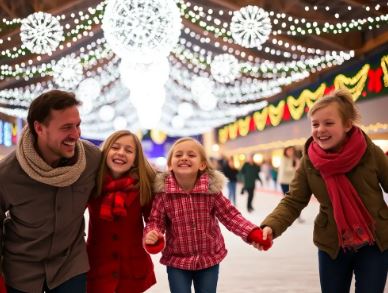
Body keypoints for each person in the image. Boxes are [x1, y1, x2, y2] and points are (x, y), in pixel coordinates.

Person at [257, 89, 388, 293]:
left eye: (328, 123)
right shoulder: (310, 161)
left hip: (375, 243)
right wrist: (272, 226)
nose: (320, 129)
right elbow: (294, 200)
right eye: (315, 124)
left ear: (347, 125)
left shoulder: (370, 152)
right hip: (332, 245)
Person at [0, 90, 101, 292]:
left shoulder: (92, 159)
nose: (76, 134)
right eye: (66, 127)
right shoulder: (7, 174)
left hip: (70, 265)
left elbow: (130, 178)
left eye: (77, 125)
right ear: (39, 128)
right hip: (22, 271)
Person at [143, 137, 271, 293]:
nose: (184, 157)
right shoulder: (164, 195)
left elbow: (230, 216)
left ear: (202, 164)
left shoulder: (210, 192)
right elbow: (155, 221)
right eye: (178, 155)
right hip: (177, 260)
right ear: (170, 165)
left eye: (191, 155)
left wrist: (252, 232)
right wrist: (153, 234)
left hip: (208, 259)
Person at [86, 130, 157, 293]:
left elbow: (153, 221)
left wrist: (153, 235)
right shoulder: (92, 185)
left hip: (132, 269)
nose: (121, 153)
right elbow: (71, 214)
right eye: (115, 147)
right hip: (98, 267)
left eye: (129, 150)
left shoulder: (142, 187)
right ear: (105, 151)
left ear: (135, 159)